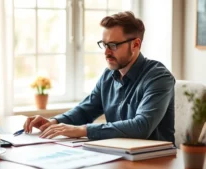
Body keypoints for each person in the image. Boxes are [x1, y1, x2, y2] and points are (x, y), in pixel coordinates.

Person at [23, 11, 175, 144]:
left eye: (113, 45)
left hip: (155, 160)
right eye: (104, 44)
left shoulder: (159, 77)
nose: (106, 52)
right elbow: (85, 110)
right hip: (119, 156)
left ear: (135, 45)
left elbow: (142, 126)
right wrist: (53, 122)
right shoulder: (108, 75)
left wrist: (83, 130)